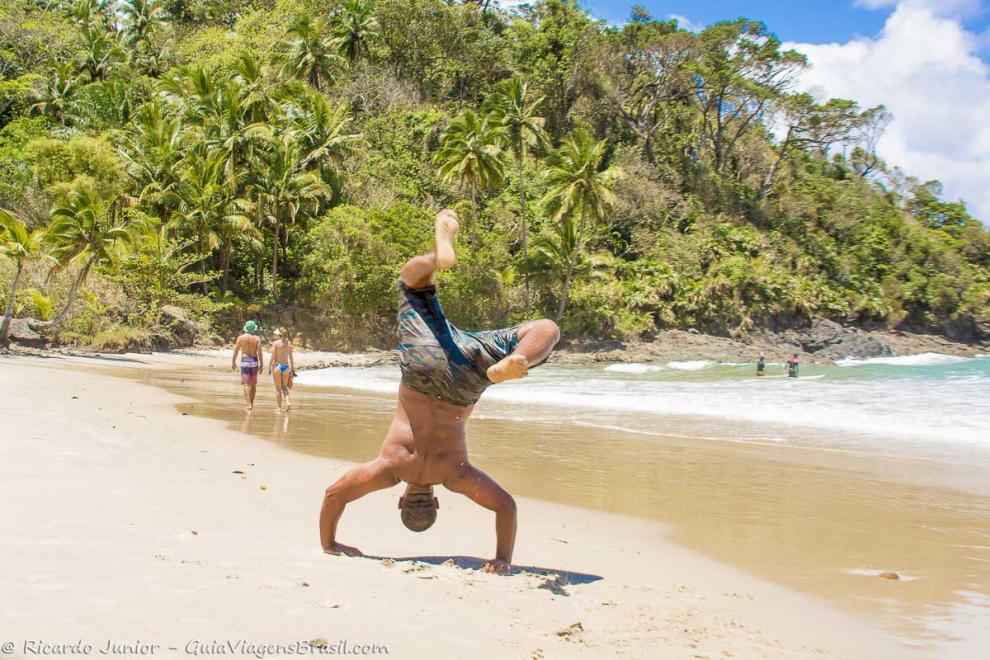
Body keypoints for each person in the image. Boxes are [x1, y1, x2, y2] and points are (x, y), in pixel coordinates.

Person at [319, 209, 560, 574]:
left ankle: (520, 358)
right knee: (409, 284)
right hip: (423, 370)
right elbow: (334, 494)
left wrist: (502, 560)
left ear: (437, 502)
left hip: (470, 379)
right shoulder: (386, 468)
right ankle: (435, 258)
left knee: (546, 328)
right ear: (401, 501)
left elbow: (506, 507)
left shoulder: (456, 474)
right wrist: (329, 542)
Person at [232, 320, 263, 411]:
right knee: (253, 384)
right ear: (254, 329)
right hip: (254, 360)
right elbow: (260, 353)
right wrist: (261, 364)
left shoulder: (241, 338)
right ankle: (252, 404)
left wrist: (233, 361)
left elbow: (236, 350)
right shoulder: (257, 338)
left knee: (246, 383)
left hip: (245, 360)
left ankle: (248, 403)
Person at [269, 327, 296, 412]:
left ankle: (279, 407)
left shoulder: (275, 343)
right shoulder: (289, 344)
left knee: (278, 388)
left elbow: (273, 356)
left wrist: (269, 367)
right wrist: (292, 369)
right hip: (285, 367)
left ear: (279, 335)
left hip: (277, 366)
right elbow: (291, 358)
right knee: (284, 387)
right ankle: (288, 403)